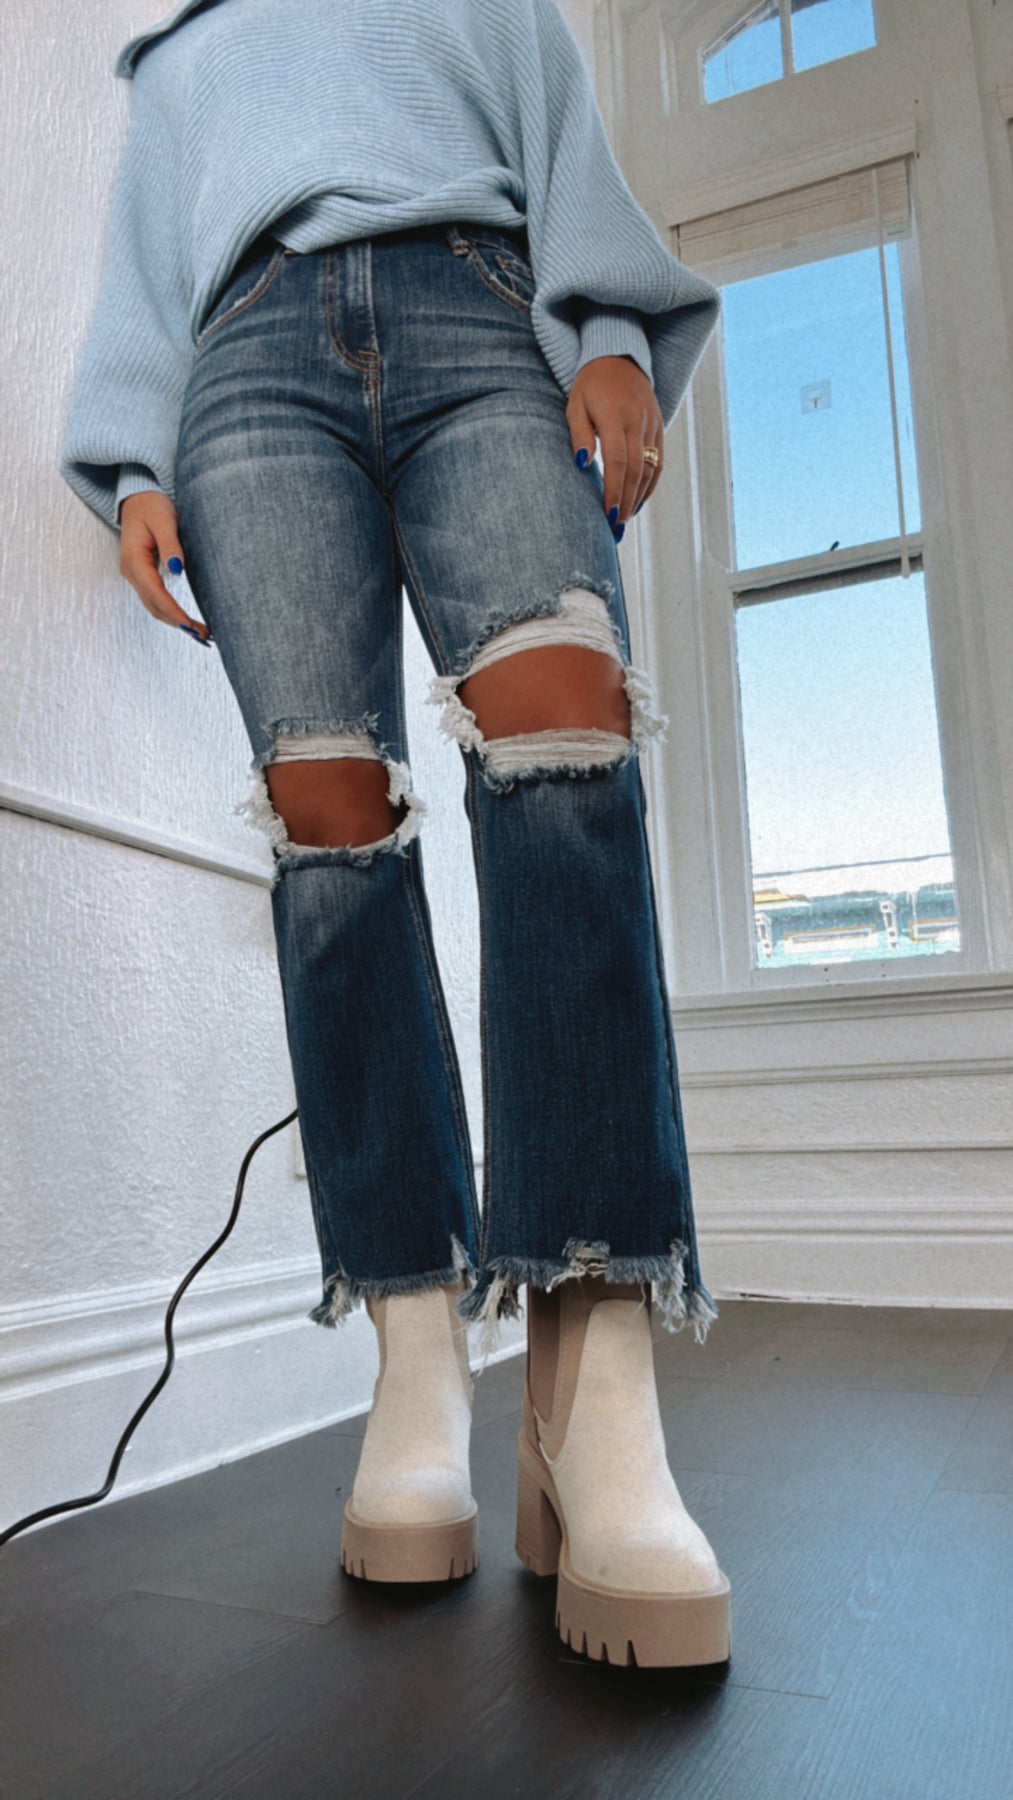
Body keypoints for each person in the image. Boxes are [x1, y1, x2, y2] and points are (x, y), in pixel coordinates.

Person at [59, 0, 731, 1668]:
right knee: (330, 836)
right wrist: (132, 462)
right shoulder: (178, 56)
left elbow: (560, 143)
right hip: (245, 377)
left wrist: (608, 329)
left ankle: (594, 1362)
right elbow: (145, 277)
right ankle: (417, 1358)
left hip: (482, 310)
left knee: (566, 747)